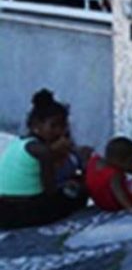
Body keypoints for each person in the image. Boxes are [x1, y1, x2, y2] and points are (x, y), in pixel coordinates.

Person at [0, 89, 93, 229]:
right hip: (23, 211)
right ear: (36, 125)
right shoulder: (43, 151)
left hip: (4, 208)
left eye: (63, 126)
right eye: (53, 126)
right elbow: (50, 191)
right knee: (80, 190)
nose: (59, 131)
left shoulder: (19, 143)